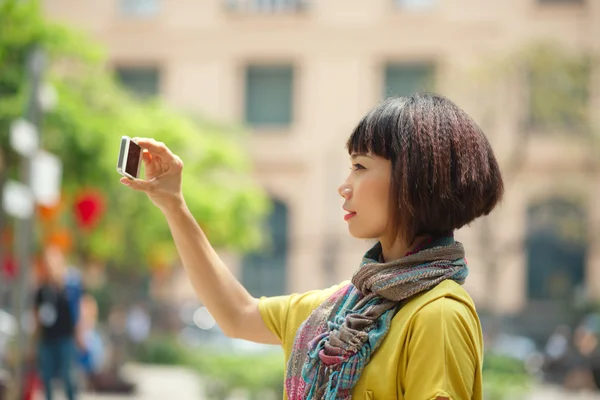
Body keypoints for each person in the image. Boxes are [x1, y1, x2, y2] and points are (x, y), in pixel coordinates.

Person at [120, 93, 504, 399]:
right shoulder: (339, 308)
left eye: (360, 165)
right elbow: (237, 314)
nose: (345, 185)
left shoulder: (438, 315)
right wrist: (174, 203)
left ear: (414, 178)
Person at [32, 246, 81, 400]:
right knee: (46, 378)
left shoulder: (70, 286)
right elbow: (37, 317)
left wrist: (80, 334)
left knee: (68, 376)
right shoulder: (41, 290)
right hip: (47, 339)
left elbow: (78, 310)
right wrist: (33, 342)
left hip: (66, 338)